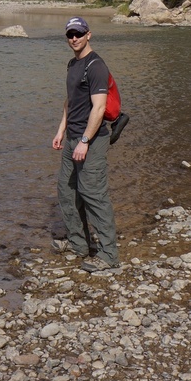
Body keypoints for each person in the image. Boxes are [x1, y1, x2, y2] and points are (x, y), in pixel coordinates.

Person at [51, 16, 119, 272]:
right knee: (67, 191)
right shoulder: (72, 64)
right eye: (70, 34)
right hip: (72, 139)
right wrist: (61, 131)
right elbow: (70, 102)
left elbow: (99, 108)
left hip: (91, 139)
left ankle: (109, 255)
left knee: (93, 194)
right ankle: (78, 244)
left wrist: (84, 141)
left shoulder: (96, 66)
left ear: (88, 35)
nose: (74, 39)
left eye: (78, 34)